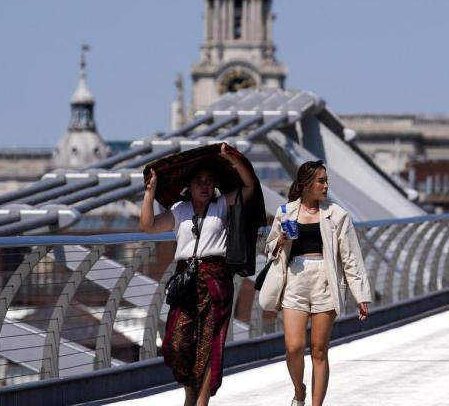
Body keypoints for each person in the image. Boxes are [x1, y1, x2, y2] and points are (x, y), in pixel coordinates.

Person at [140, 144, 256, 406]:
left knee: (208, 343)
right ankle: (190, 394)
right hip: (186, 280)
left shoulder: (222, 204)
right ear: (188, 186)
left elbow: (249, 187)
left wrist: (234, 160)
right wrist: (149, 192)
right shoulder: (179, 210)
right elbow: (148, 226)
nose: (204, 186)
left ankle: (201, 401)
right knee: (177, 342)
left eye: (209, 181)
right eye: (199, 181)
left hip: (216, 280)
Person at [265, 160, 372, 406]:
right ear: (306, 184)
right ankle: (299, 391)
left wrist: (361, 295)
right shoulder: (285, 212)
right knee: (294, 347)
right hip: (295, 281)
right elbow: (269, 249)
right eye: (321, 181)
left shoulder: (337, 215)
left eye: (326, 181)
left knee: (319, 350)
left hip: (326, 282)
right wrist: (280, 240)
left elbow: (351, 257)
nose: (325, 186)